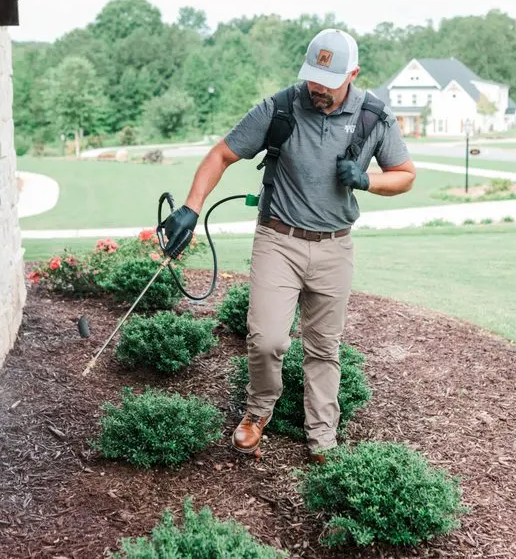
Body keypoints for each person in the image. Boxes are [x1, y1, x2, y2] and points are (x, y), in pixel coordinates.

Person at [158, 29, 415, 463]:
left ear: (352, 74)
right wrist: (191, 207)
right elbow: (221, 154)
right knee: (266, 340)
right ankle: (258, 412)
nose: (317, 88)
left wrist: (367, 180)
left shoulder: (374, 116)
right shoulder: (280, 107)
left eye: (328, 81)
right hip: (278, 241)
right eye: (313, 76)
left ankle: (323, 439)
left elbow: (405, 175)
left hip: (335, 247)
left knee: (324, 348)